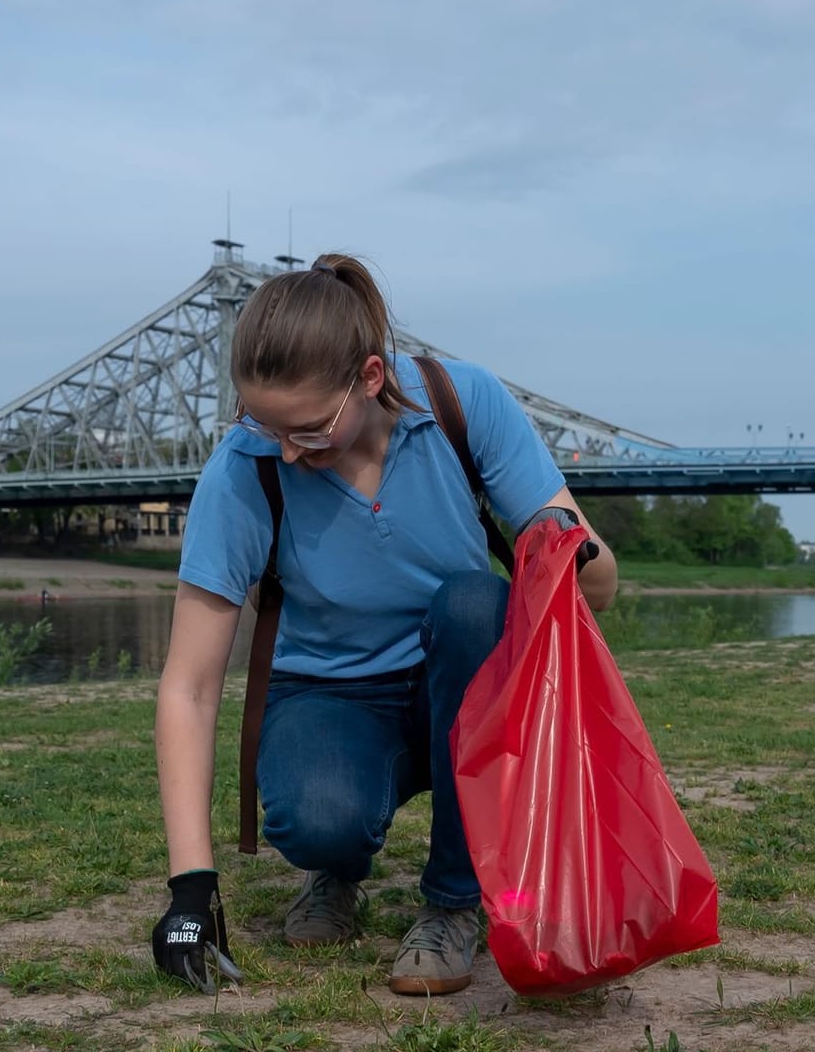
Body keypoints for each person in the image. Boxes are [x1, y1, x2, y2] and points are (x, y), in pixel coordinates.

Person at [149, 253, 617, 996]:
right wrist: (190, 889)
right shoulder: (246, 465)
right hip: (330, 693)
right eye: (263, 425)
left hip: (463, 685)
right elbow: (190, 687)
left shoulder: (466, 403)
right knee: (318, 820)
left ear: (370, 378)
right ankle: (334, 869)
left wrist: (564, 546)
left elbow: (600, 587)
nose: (285, 451)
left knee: (475, 601)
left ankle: (454, 906)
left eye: (306, 428)